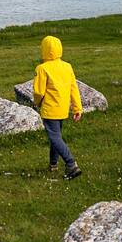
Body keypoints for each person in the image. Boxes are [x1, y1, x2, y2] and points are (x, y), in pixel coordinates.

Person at [33, 35, 83, 178]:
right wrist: (77, 108)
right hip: (63, 108)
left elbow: (38, 91)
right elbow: (74, 88)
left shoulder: (42, 68)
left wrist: (36, 103)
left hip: (50, 109)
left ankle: (71, 163)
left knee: (54, 137)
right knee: (56, 136)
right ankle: (53, 165)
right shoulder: (67, 66)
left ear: (44, 50)